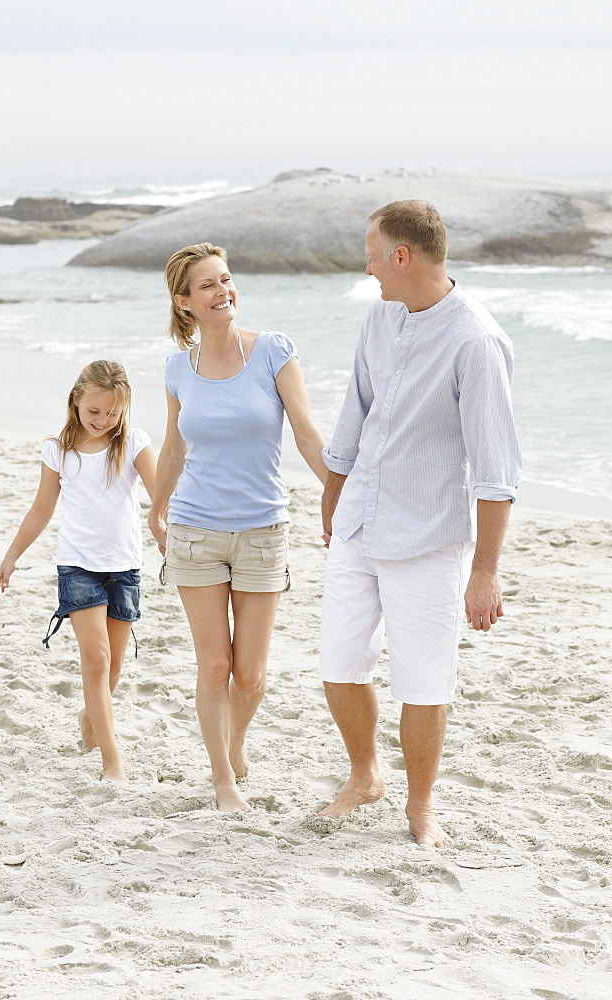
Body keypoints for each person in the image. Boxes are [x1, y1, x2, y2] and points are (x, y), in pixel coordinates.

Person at [319, 200, 522, 846]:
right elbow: (355, 417)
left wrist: (485, 572)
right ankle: (364, 775)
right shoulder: (379, 319)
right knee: (339, 664)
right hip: (359, 525)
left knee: (422, 681)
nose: (368, 266)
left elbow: (495, 471)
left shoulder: (477, 342)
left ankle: (420, 807)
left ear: (402, 257)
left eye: (373, 253)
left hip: (430, 538)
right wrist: (333, 498)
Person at [149, 242, 328, 812]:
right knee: (215, 665)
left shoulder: (273, 351)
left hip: (262, 530)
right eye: (208, 286)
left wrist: (338, 492)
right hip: (196, 530)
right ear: (185, 303)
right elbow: (174, 449)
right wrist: (157, 507)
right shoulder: (179, 368)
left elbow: (304, 432)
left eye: (225, 280)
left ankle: (235, 742)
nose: (223, 291)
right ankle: (222, 778)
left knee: (250, 674)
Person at [0, 360, 156, 782]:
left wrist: (171, 527)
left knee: (114, 667)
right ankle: (112, 761)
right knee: (97, 661)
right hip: (78, 566)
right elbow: (42, 508)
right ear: (76, 402)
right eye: (94, 412)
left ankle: (90, 716)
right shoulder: (58, 450)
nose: (103, 421)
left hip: (124, 568)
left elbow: (162, 496)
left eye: (112, 413)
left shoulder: (134, 443)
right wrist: (11, 556)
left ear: (124, 409)